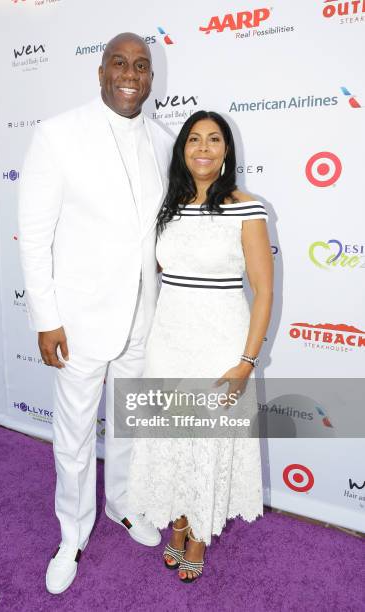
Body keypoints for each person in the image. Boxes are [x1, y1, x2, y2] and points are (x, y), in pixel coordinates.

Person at [18, 32, 173, 594]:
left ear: (151, 79)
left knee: (132, 420)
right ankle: (72, 531)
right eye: (119, 63)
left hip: (143, 315)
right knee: (75, 435)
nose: (130, 74)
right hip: (79, 320)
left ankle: (123, 504)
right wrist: (45, 317)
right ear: (101, 71)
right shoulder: (57, 135)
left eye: (141, 66)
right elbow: (34, 239)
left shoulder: (162, 139)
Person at [127, 110, 273, 582]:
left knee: (207, 439)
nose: (203, 148)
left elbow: (264, 291)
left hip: (220, 341)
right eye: (194, 139)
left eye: (214, 140)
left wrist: (246, 361)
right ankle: (179, 517)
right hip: (168, 338)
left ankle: (199, 534)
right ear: (182, 148)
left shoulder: (246, 207)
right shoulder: (167, 204)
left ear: (226, 150)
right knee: (172, 435)